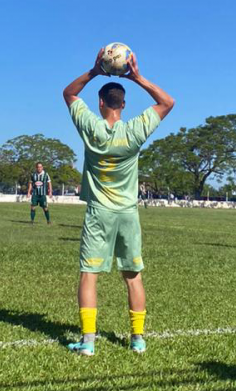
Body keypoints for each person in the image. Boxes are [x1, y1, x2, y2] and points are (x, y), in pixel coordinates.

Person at [62, 48, 174, 356]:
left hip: (99, 213)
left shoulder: (91, 128)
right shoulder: (135, 131)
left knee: (89, 274)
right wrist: (137, 77)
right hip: (127, 213)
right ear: (122, 105)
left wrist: (94, 71)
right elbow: (168, 102)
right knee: (133, 276)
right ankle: (137, 339)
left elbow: (69, 94)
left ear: (100, 103)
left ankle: (88, 342)